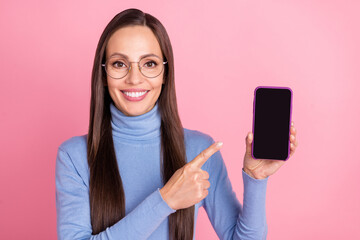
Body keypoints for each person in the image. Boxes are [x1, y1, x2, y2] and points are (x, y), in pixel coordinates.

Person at [55, 8, 298, 240]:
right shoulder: (74, 156)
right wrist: (166, 200)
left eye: (149, 63)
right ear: (104, 74)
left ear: (165, 73)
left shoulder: (199, 151)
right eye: (120, 63)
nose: (134, 78)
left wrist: (256, 178)